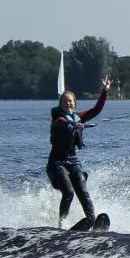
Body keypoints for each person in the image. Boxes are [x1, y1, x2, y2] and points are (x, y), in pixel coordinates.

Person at [47, 76, 111, 227]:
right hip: (56, 163)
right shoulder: (57, 117)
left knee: (83, 191)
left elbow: (97, 109)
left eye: (70, 101)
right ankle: (61, 224)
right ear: (61, 105)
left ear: (74, 103)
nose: (68, 103)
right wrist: (74, 124)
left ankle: (93, 221)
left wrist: (105, 91)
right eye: (64, 101)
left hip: (73, 161)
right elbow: (62, 122)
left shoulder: (79, 116)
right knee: (69, 192)